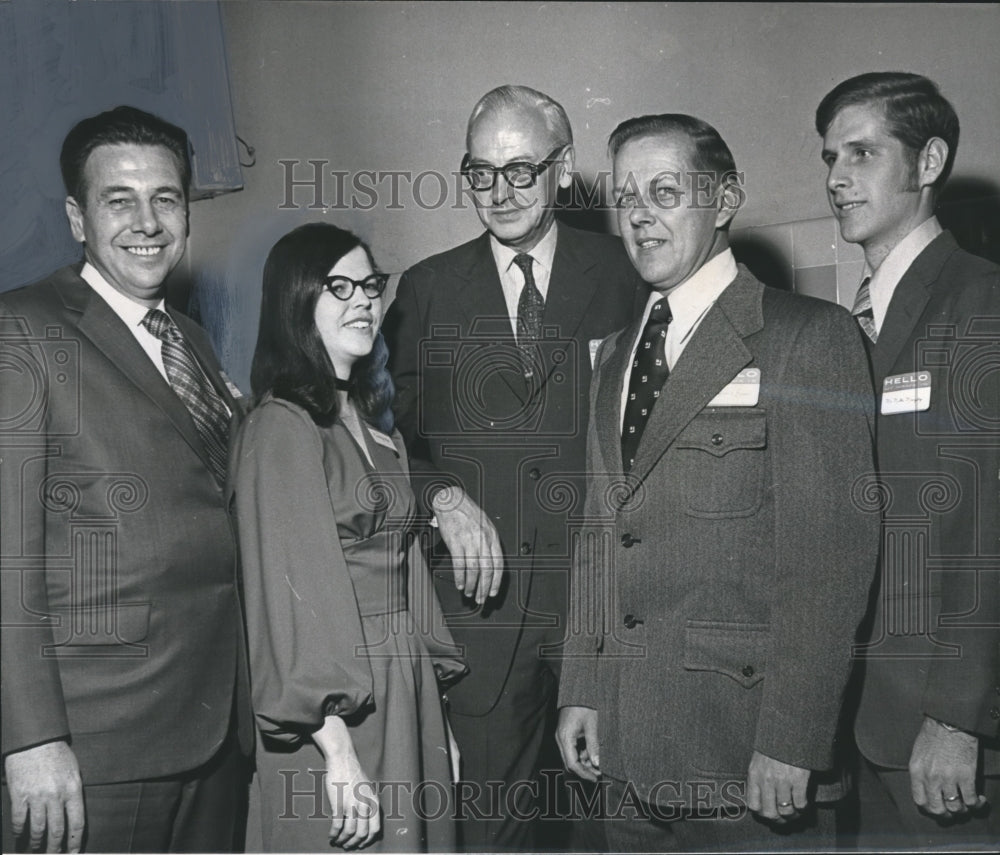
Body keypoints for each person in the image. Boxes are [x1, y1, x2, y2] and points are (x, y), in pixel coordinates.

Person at [556, 113, 880, 851]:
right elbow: (601, 532)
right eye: (627, 195)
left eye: (664, 191)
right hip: (628, 757)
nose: (639, 214)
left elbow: (830, 562)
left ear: (725, 200)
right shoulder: (613, 360)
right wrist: (582, 683)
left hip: (749, 755)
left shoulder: (807, 336)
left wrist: (795, 737)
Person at [382, 84, 645, 851]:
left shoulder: (628, 272)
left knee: (613, 830)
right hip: (482, 620)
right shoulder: (426, 290)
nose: (498, 192)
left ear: (563, 170)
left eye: (521, 170)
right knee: (493, 835)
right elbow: (385, 432)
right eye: (479, 171)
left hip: (601, 615)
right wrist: (441, 497)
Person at [0, 106, 250, 853]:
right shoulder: (23, 331)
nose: (148, 222)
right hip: (93, 747)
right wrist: (31, 738)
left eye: (166, 198)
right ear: (78, 218)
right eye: (120, 200)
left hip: (213, 728)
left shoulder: (194, 341)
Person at [231, 222, 468, 853]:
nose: (364, 300)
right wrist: (336, 753)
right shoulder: (280, 427)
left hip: (403, 686)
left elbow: (408, 572)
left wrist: (437, 727)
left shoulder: (371, 425)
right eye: (340, 286)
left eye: (369, 284)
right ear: (296, 300)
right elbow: (287, 600)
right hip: (331, 710)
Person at [816, 71, 1000, 848]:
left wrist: (959, 716)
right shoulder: (844, 324)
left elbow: (988, 526)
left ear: (928, 163)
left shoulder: (980, 304)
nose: (835, 177)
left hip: (941, 728)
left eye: (862, 152)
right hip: (860, 722)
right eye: (829, 156)